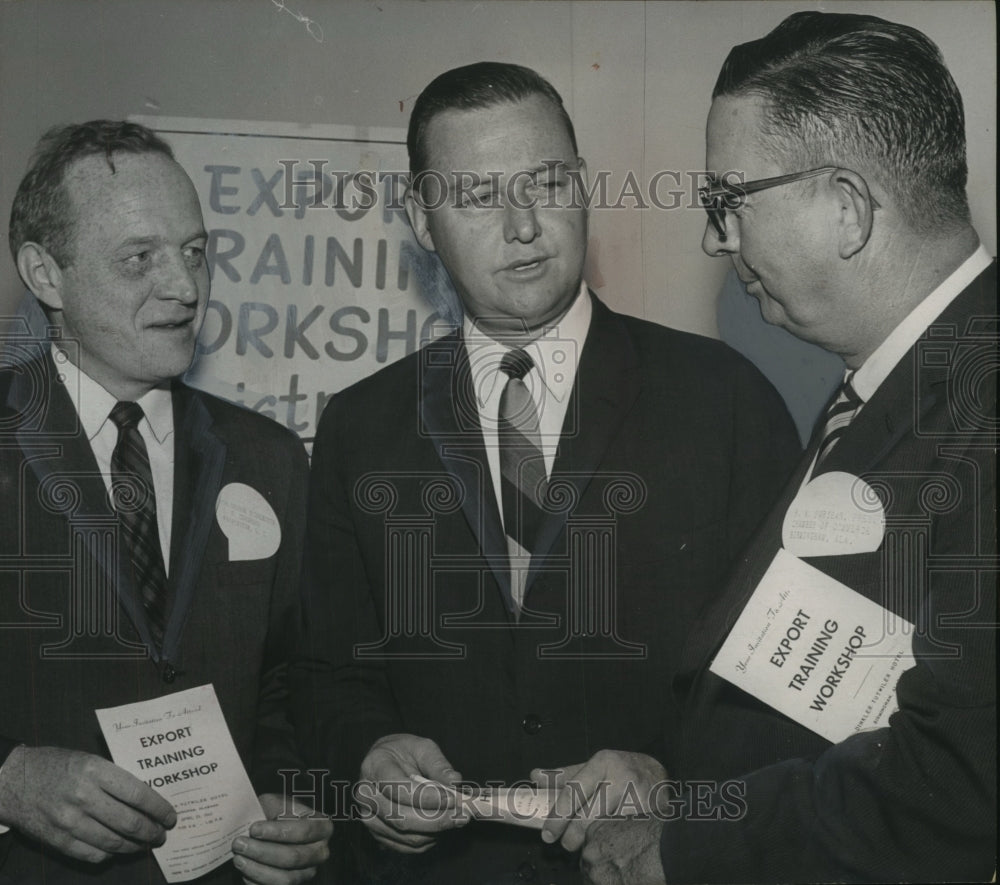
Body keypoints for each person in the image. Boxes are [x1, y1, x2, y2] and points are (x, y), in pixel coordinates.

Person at [295, 62, 799, 884]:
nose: (524, 224)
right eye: (478, 197)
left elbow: (790, 686)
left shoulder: (725, 398)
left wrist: (673, 780)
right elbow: (325, 674)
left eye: (546, 181)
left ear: (585, 185)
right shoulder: (361, 426)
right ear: (423, 222)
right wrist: (368, 754)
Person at [579, 12, 996, 884]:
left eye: (728, 202)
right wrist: (672, 778)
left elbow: (952, 785)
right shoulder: (891, 386)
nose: (712, 238)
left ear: (845, 208)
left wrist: (685, 839)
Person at [0, 121, 332, 884]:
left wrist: (288, 796)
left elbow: (291, 678)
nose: (185, 288)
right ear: (45, 274)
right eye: (140, 258)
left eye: (194, 252)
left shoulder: (269, 457)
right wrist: (9, 779)